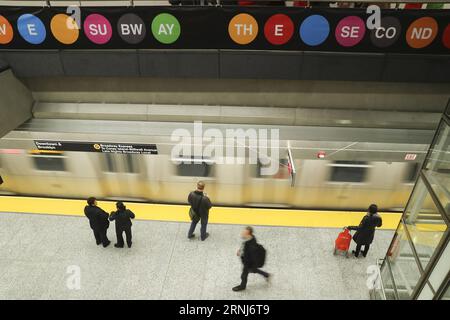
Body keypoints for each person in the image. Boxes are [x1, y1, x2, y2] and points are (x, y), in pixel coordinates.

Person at [232, 226, 270, 292]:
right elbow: (244, 246)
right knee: (254, 270)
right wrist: (240, 251)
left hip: (248, 263)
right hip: (248, 262)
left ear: (248, 234)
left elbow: (251, 257)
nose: (242, 233)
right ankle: (266, 275)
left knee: (244, 275)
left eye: (244, 233)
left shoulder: (251, 246)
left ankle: (242, 286)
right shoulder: (248, 239)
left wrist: (244, 260)